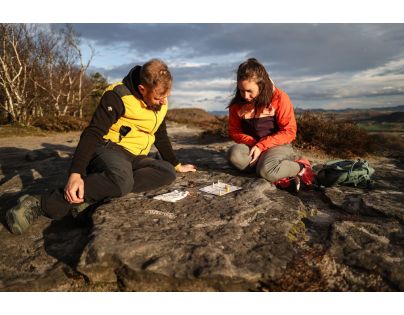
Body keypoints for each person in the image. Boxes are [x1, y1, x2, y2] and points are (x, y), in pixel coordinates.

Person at [6, 59, 196, 234]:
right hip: (108, 149)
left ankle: (94, 194)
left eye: (166, 97)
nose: (163, 102)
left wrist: (176, 164)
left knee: (166, 172)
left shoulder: (160, 101)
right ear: (142, 88)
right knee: (122, 181)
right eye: (158, 98)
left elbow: (159, 133)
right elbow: (93, 133)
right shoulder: (118, 96)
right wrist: (76, 174)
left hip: (134, 156)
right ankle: (40, 203)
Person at [227, 58, 314, 192]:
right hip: (253, 144)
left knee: (266, 170)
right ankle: (274, 170)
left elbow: (289, 131)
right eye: (241, 90)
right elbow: (234, 130)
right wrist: (254, 143)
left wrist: (262, 146)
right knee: (234, 156)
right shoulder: (237, 104)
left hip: (278, 145)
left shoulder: (280, 97)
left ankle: (301, 166)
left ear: (261, 85)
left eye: (249, 91)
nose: (245, 95)